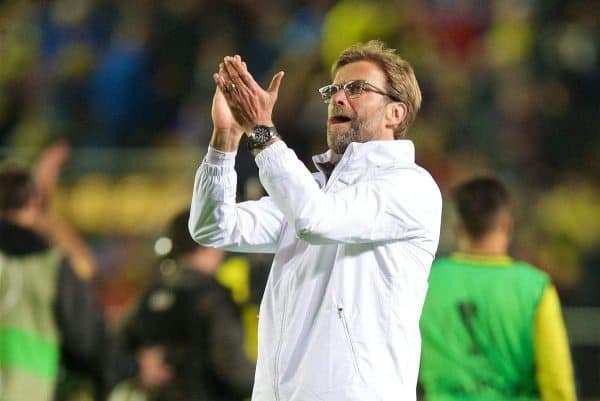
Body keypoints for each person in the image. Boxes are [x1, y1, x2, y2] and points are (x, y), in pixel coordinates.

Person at [188, 40, 442, 401]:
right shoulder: (312, 189)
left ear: (395, 113)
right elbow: (213, 227)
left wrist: (261, 130)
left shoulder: (409, 186)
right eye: (334, 89)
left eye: (356, 89)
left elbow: (314, 220)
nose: (338, 98)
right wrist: (225, 141)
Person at [0, 145, 170, 401]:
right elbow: (87, 338)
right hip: (24, 390)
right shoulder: (49, 265)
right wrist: (133, 367)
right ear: (33, 201)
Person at [419, 177, 576, 401]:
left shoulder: (427, 280)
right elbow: (556, 381)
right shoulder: (535, 287)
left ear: (456, 227)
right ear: (506, 224)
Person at [117, 209, 255, 401]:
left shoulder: (152, 294)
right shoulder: (212, 298)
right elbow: (234, 369)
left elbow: (116, 346)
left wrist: (137, 368)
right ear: (206, 243)